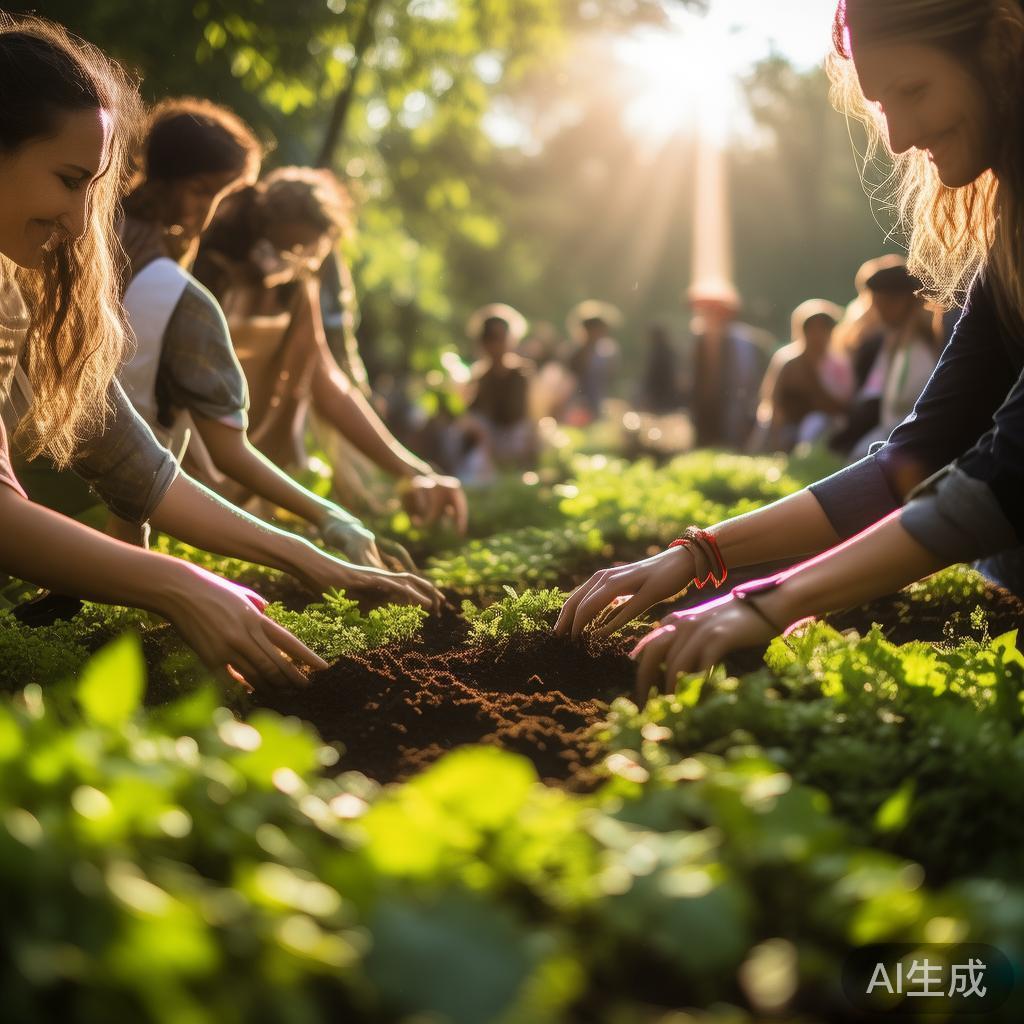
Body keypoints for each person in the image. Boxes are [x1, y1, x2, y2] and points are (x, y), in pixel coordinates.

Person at [557, 0, 1024, 689]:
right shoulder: (1008, 242)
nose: (895, 139)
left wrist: (769, 603)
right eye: (881, 104)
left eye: (913, 90)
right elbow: (919, 453)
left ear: (1001, 49)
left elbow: (1001, 477)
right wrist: (698, 555)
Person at [0, 16, 437, 692]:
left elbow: (137, 468)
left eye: (94, 187)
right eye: (67, 178)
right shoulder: (169, 291)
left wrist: (311, 556)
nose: (84, 219)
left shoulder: (24, 288)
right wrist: (177, 584)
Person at [114, 103, 408, 569]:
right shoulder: (166, 274)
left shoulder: (173, 255)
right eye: (203, 191)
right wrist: (326, 519)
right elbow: (179, 424)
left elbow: (324, 377)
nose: (209, 211)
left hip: (130, 462)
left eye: (223, 193)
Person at [193, 166, 468, 535]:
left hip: (246, 458)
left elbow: (330, 387)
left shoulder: (296, 292)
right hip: (192, 454)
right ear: (259, 228)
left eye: (304, 251)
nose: (291, 260)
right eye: (284, 247)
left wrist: (412, 470)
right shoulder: (209, 278)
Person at [829, 257, 938, 457]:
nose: (878, 310)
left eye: (883, 302)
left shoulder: (922, 345)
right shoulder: (893, 340)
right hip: (894, 432)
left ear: (903, 300)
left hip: (912, 437)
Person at [750, 300, 852, 453]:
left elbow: (843, 406)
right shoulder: (788, 361)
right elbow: (772, 401)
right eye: (812, 329)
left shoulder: (838, 364)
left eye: (823, 328)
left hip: (823, 427)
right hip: (787, 425)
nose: (817, 335)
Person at [684, 282, 771, 450]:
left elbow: (747, 378)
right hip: (704, 406)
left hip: (733, 405)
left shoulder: (741, 342)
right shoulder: (698, 341)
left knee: (729, 445)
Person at [463, 304, 538, 472]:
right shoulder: (479, 377)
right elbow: (471, 418)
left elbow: (532, 415)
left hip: (517, 440)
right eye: (490, 338)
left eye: (501, 337)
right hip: (490, 445)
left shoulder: (522, 373)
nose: (496, 344)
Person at [565, 302, 621, 423]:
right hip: (577, 406)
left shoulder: (604, 352)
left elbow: (609, 377)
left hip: (596, 403)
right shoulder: (576, 352)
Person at [636, 323, 684, 415]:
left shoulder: (657, 354)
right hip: (668, 396)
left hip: (660, 395)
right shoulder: (670, 352)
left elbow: (650, 377)